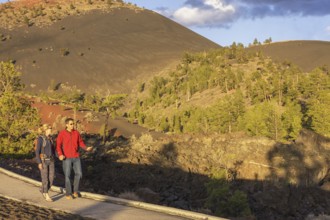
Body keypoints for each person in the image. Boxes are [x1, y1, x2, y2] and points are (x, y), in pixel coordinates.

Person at [56, 118, 93, 199]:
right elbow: (58, 145)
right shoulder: (62, 133)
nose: (73, 125)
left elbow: (80, 142)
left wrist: (86, 148)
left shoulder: (76, 133)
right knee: (67, 176)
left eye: (73, 124)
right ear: (66, 125)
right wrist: (60, 154)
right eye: (71, 124)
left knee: (79, 174)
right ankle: (68, 193)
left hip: (76, 157)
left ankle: (75, 191)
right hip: (66, 158)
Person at [35, 124, 55, 202]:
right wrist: (39, 162)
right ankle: (46, 194)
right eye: (50, 128)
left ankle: (43, 189)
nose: (51, 130)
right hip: (43, 161)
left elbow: (53, 150)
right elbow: (37, 151)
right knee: (45, 178)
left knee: (51, 178)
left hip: (51, 160)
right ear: (46, 129)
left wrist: (60, 156)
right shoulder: (40, 139)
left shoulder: (50, 139)